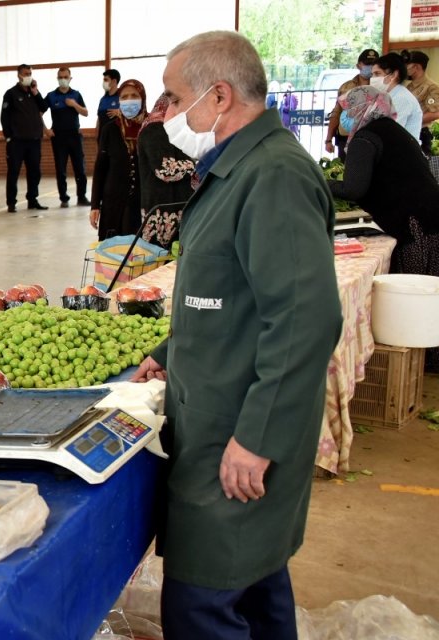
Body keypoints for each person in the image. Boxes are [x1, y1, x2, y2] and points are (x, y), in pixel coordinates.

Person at [133, 31, 342, 639]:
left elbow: (305, 318)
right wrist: (168, 354)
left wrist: (256, 437)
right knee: (254, 581)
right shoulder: (236, 167)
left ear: (219, 96)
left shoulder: (271, 175)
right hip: (215, 412)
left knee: (204, 601)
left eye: (174, 99)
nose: (165, 115)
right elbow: (227, 296)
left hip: (238, 432)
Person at [328, 86, 439, 278]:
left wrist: (318, 183)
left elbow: (353, 189)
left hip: (415, 226)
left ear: (362, 107)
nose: (345, 115)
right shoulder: (393, 130)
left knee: (413, 289)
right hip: (431, 219)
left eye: (349, 108)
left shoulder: (365, 138)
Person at [136, 95, 196, 249]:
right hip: (163, 209)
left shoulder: (175, 129)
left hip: (175, 205)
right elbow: (165, 169)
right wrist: (197, 164)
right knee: (162, 260)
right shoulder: (155, 128)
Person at [90, 79, 146, 240]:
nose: (129, 100)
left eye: (134, 95)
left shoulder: (151, 127)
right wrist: (95, 205)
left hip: (142, 203)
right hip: (113, 201)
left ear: (142, 98)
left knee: (140, 255)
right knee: (113, 254)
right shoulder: (110, 128)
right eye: (124, 97)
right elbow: (100, 167)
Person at [0, 64, 49, 212]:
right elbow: (4, 117)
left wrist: (36, 92)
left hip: (34, 141)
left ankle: (32, 200)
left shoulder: (33, 93)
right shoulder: (11, 94)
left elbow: (44, 107)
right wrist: (8, 137)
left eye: (30, 73)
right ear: (19, 75)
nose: (28, 76)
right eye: (26, 73)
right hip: (17, 141)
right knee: (14, 171)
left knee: (35, 171)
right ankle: (11, 202)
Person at [46, 67, 89, 207]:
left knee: (80, 168)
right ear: (57, 78)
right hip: (58, 137)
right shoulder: (51, 96)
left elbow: (85, 112)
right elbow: (38, 113)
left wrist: (74, 104)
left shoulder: (76, 95)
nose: (63, 79)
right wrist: (45, 129)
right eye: (60, 77)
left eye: (65, 77)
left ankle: (82, 196)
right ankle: (63, 198)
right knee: (60, 168)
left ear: (70, 78)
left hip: (74, 136)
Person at [326, 48, 377, 159]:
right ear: (358, 66)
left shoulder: (381, 87)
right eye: (367, 64)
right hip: (346, 138)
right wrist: (328, 139)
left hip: (371, 139)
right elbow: (336, 113)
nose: (371, 67)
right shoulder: (346, 87)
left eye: (374, 64)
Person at [373, 52, 423, 142]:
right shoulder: (386, 96)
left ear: (393, 74)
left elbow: (391, 132)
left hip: (403, 152)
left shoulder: (402, 98)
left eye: (377, 74)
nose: (372, 78)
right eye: (372, 74)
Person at [404, 51, 439, 152]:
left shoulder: (432, 87)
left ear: (416, 67)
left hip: (421, 133)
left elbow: (435, 113)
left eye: (407, 65)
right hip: (408, 131)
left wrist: (413, 120)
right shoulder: (409, 86)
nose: (405, 68)